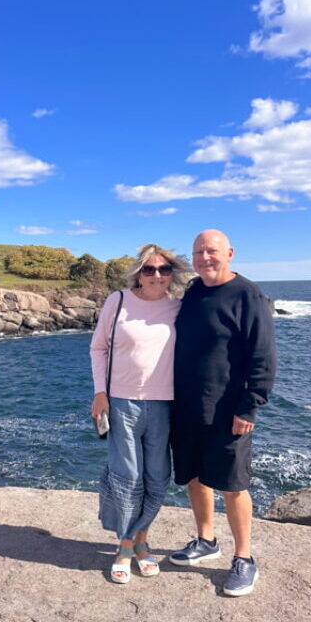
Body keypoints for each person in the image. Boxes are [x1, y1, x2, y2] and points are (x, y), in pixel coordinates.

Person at [169, 230, 276, 597]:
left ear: (229, 252)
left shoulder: (249, 296)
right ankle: (205, 540)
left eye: (211, 251)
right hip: (186, 406)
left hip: (229, 409)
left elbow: (263, 357)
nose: (204, 258)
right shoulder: (193, 291)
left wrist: (251, 404)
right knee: (195, 477)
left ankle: (244, 558)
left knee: (233, 484)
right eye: (198, 252)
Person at [90, 243, 190, 583]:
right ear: (139, 273)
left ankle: (141, 542)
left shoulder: (179, 308)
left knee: (157, 478)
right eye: (150, 269)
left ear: (172, 274)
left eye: (164, 270)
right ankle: (126, 547)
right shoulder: (117, 301)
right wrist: (100, 393)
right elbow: (99, 348)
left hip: (166, 404)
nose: (157, 276)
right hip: (122, 402)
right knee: (127, 477)